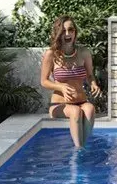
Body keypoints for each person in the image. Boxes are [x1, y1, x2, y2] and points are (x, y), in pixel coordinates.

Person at [40, 15, 101, 149]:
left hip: (81, 100)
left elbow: (90, 75)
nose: (67, 34)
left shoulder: (84, 52)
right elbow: (43, 81)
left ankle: (85, 146)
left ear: (75, 32)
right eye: (63, 31)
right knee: (75, 112)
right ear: (58, 33)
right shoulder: (51, 54)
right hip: (59, 104)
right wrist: (60, 87)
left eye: (71, 30)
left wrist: (93, 84)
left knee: (90, 109)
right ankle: (78, 152)